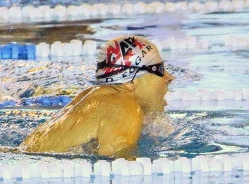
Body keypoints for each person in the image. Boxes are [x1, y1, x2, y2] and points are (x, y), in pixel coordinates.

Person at [20, 35, 175, 159]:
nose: (169, 77)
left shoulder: (91, 96)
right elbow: (120, 173)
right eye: (159, 69)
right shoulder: (124, 106)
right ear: (129, 81)